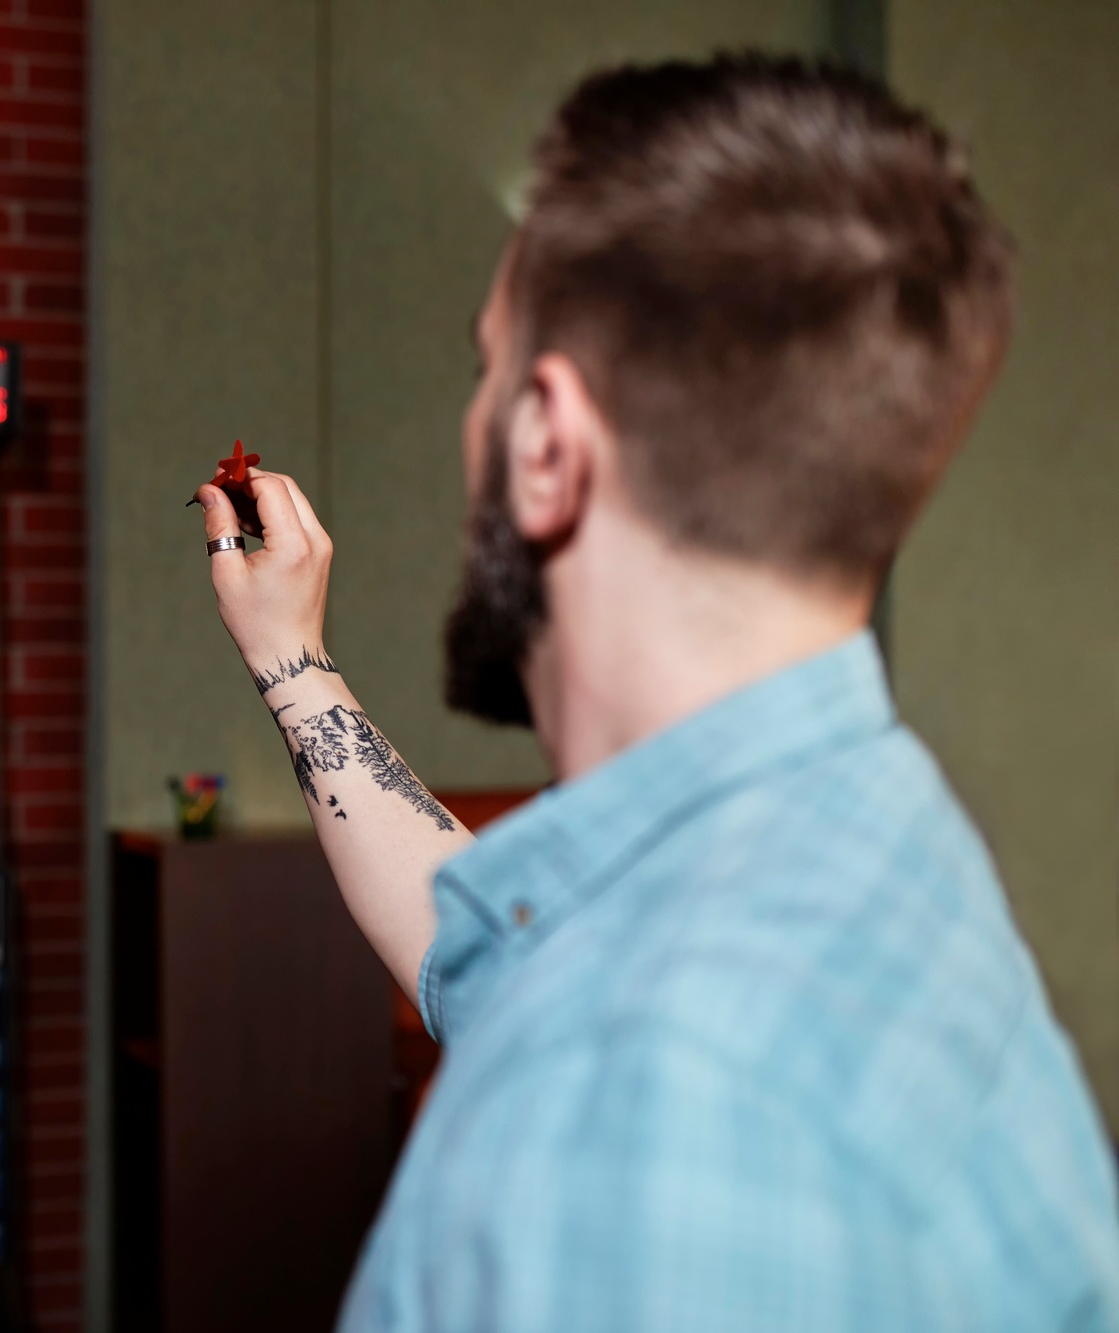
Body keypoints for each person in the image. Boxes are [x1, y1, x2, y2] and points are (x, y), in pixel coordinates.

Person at [195, 54, 1119, 1331]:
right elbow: (486, 963)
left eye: (485, 371)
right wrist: (292, 665)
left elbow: (599, 1046)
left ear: (544, 446)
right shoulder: (843, 832)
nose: (473, 422)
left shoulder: (641, 1107)